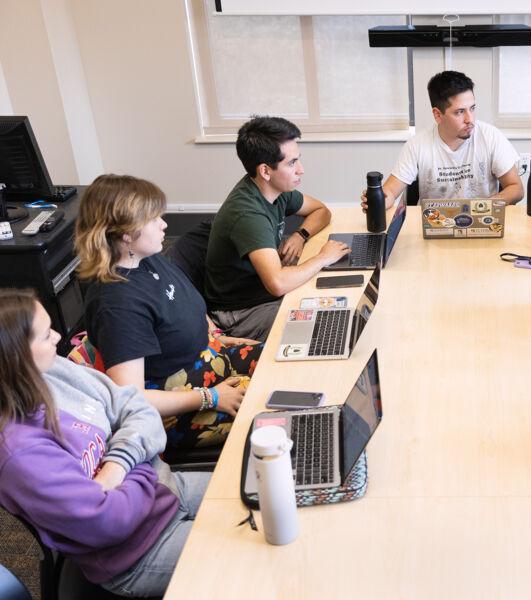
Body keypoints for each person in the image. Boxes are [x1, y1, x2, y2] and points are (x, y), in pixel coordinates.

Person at [0, 288, 210, 597]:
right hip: (138, 552)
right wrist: (141, 458)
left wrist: (118, 465)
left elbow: (136, 407)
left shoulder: (53, 371)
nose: (59, 336)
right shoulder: (20, 453)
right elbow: (109, 521)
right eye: (46, 335)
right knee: (253, 555)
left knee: (271, 494)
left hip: (165, 489)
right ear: (17, 356)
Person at [76, 174, 263, 450]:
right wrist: (210, 398)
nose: (165, 225)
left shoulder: (147, 259)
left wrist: (217, 338)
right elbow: (133, 398)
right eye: (153, 219)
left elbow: (187, 309)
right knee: (271, 413)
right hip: (181, 409)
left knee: (284, 366)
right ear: (126, 234)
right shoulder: (117, 303)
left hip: (213, 363)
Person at [205, 116, 350, 341]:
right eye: (291, 163)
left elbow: (322, 211)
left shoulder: (276, 191)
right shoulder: (248, 214)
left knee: (338, 301)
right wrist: (323, 258)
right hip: (239, 313)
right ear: (265, 171)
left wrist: (300, 235)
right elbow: (278, 283)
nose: (301, 170)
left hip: (264, 292)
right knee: (328, 327)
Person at [361, 70, 523, 212]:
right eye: (460, 112)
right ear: (438, 115)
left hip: (482, 220)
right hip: (433, 224)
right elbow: (390, 191)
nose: (470, 119)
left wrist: (481, 207)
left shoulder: (490, 136)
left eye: (472, 108)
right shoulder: (417, 146)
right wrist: (378, 200)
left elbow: (516, 189)